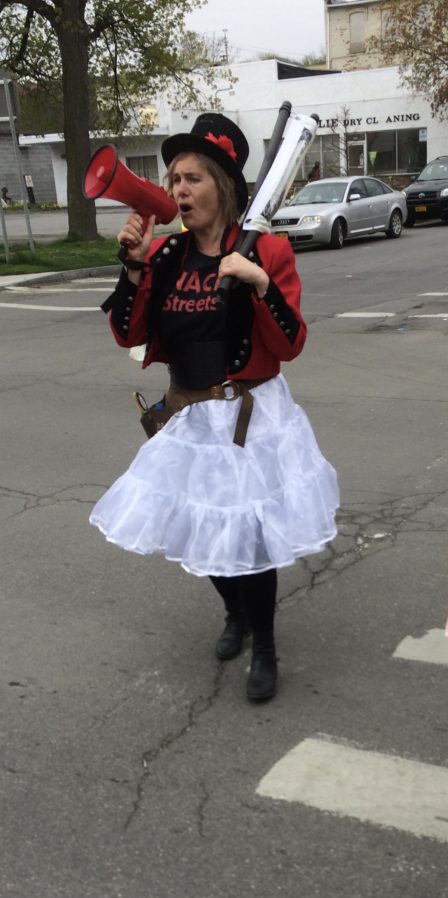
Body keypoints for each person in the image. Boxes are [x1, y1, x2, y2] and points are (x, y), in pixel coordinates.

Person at [90, 112, 339, 703]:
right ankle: (236, 615)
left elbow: (290, 344)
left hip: (247, 415)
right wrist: (132, 266)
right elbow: (130, 334)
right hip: (187, 414)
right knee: (199, 531)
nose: (178, 190)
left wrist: (259, 285)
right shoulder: (169, 255)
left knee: (250, 542)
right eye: (174, 178)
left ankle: (266, 645)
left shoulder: (267, 250)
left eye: (192, 178)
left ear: (222, 186)